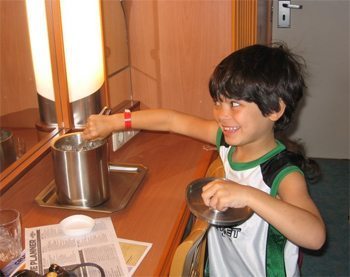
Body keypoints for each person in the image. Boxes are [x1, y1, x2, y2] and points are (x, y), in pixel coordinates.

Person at [83, 43, 326, 276]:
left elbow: (315, 237)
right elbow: (171, 120)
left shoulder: (283, 174)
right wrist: (115, 122)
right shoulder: (227, 142)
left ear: (274, 109)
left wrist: (248, 194)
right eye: (218, 102)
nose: (222, 114)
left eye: (235, 104)